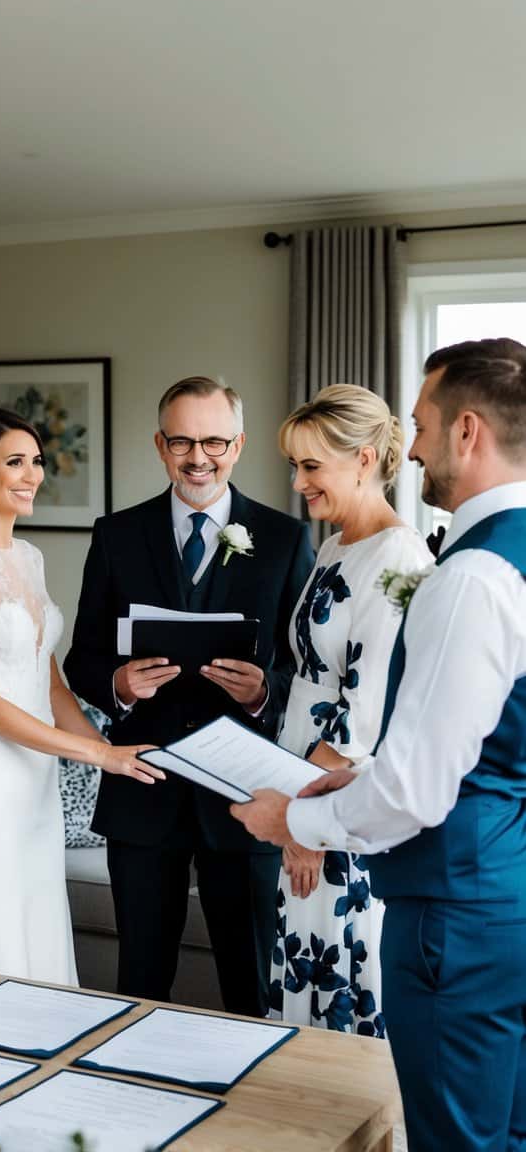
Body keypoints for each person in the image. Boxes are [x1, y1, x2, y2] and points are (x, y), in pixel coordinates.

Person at [232, 338, 526, 1151]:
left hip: (457, 907)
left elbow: (409, 789)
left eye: (425, 423)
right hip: (506, 889)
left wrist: (298, 823)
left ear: (467, 431)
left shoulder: (469, 578)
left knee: (455, 1138)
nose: (415, 443)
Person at [64, 376, 314, 1016]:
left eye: (213, 442)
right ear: (159, 444)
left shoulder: (285, 539)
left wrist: (265, 692)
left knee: (250, 982)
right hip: (144, 789)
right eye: (182, 441)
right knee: (140, 980)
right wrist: (117, 684)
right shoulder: (117, 534)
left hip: (245, 794)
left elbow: (304, 667)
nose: (197, 457)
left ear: (238, 445)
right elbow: (82, 658)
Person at [0, 408, 163, 989]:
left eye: (36, 461)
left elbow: (49, 686)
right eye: (14, 462)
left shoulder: (28, 559)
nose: (31, 475)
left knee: (37, 936)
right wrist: (100, 758)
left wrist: (114, 750)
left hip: (36, 791)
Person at [271, 385, 429, 1035]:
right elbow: (313, 673)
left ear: (363, 460)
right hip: (295, 788)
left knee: (337, 970)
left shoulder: (398, 558)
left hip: (336, 802)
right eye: (295, 465)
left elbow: (363, 711)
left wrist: (307, 820)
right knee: (301, 963)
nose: (298, 482)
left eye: (312, 466)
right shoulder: (336, 545)